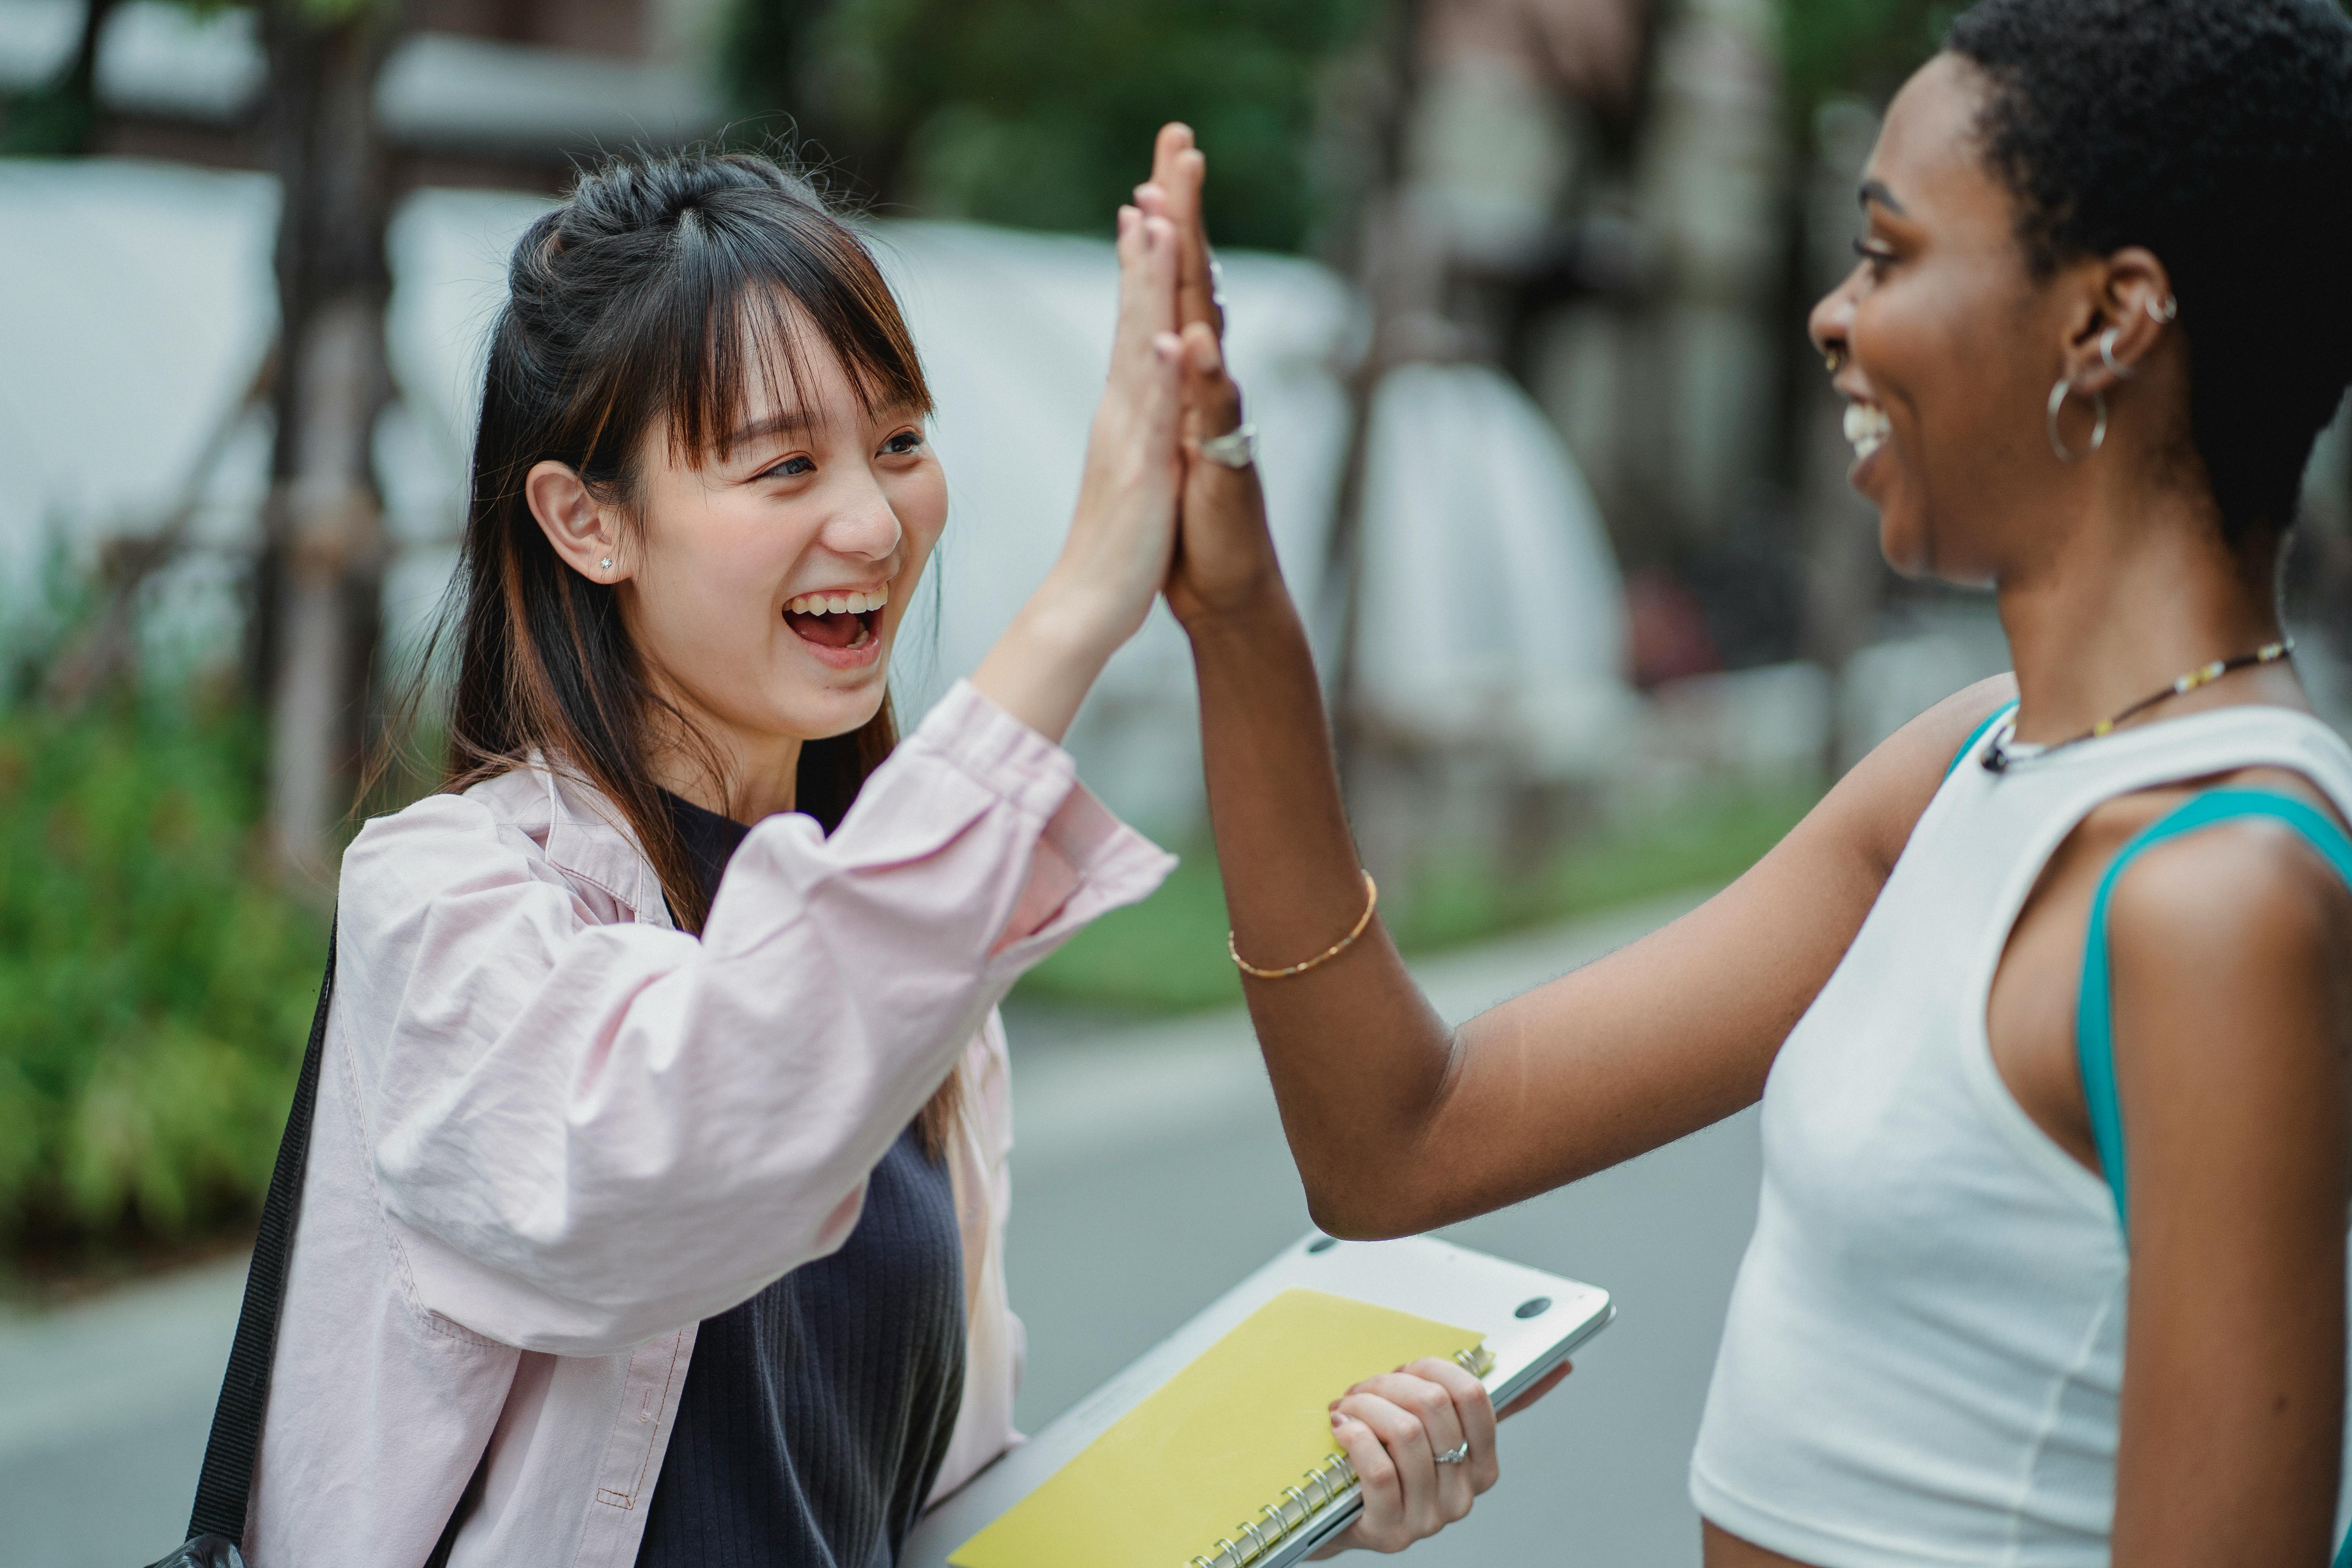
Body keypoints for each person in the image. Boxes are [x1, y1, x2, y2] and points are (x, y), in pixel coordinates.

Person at [1150, 1, 2352, 1563]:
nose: (1831, 316)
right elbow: (1400, 1138)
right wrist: (1239, 617)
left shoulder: (2221, 896)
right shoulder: (1968, 769)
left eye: (1892, 253)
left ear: (2108, 322)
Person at [240, 150, 1497, 1565]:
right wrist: (1086, 594)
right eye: (785, 466)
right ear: (586, 522)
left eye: (899, 442)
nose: (873, 521)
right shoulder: (448, 905)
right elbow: (687, 1149)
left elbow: (916, 1525)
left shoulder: (917, 969)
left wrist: (1290, 1486)